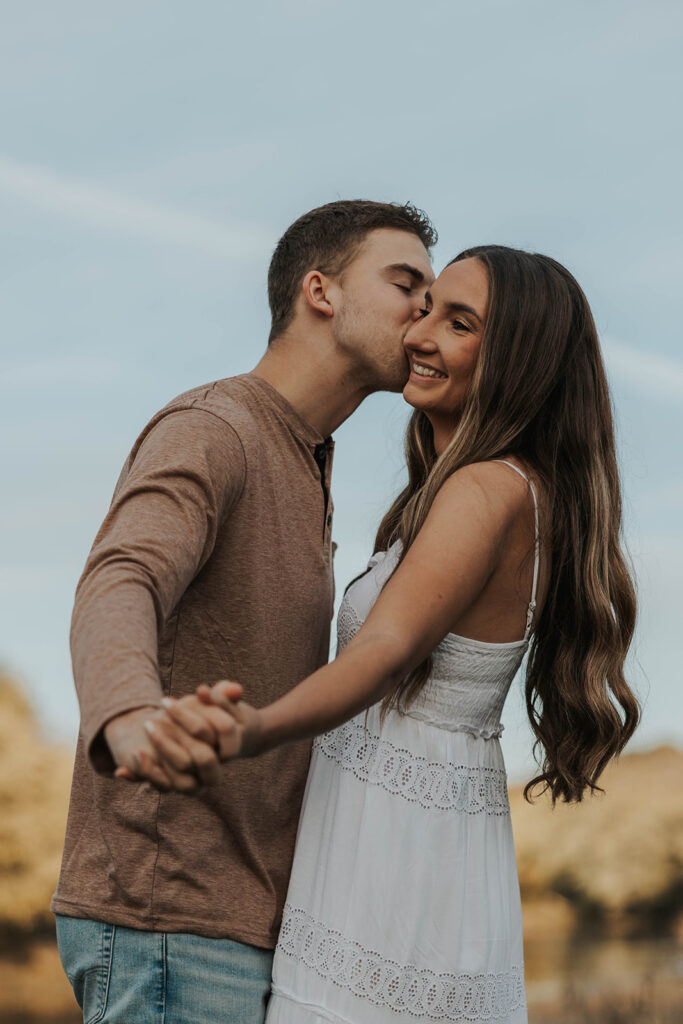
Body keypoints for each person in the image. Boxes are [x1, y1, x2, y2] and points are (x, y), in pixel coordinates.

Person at [147, 245, 639, 1023]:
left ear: (515, 359)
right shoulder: (492, 492)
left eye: (459, 322)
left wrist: (256, 729)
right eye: (427, 306)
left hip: (394, 859)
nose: (420, 332)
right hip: (425, 839)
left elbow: (381, 654)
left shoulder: (485, 490)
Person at [51, 199, 437, 1024]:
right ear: (320, 291)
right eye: (406, 283)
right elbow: (120, 577)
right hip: (168, 924)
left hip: (244, 928)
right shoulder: (216, 426)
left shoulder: (305, 456)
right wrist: (126, 715)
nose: (423, 311)